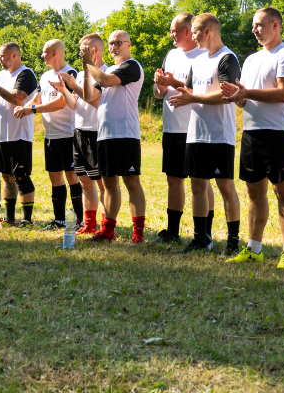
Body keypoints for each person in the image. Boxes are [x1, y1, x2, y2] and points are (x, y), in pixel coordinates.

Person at [220, 7, 284, 267]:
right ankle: (254, 248)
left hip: (278, 132)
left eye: (259, 25)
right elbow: (246, 98)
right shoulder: (252, 60)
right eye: (254, 26)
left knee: (283, 191)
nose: (254, 29)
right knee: (254, 191)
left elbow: (281, 94)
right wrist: (237, 96)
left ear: (275, 25)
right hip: (252, 132)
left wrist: (247, 93)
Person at [167, 13, 242, 255]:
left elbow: (226, 95)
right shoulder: (198, 61)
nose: (193, 36)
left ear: (207, 31)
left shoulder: (227, 59)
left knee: (225, 187)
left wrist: (192, 97)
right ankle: (201, 238)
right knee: (197, 185)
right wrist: (169, 86)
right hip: (195, 134)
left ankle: (233, 242)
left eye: (196, 32)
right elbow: (189, 89)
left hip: (219, 134)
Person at [81, 31, 147, 243]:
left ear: (128, 44)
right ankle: (108, 231)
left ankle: (138, 233)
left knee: (131, 182)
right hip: (105, 134)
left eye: (118, 43)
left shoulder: (132, 65)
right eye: (111, 43)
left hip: (125, 133)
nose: (114, 47)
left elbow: (106, 81)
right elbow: (90, 95)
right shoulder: (108, 69)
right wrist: (85, 69)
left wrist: (90, 63)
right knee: (109, 183)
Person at [151, 13, 209, 243]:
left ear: (188, 31)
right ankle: (172, 231)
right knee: (174, 179)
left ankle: (205, 232)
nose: (171, 35)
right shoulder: (171, 55)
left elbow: (204, 92)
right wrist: (160, 87)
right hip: (172, 127)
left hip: (198, 127)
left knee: (200, 182)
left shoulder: (204, 55)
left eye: (174, 30)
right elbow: (159, 94)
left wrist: (173, 83)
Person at [13, 40, 79, 230]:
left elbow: (60, 103)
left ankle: (79, 220)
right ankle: (59, 221)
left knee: (72, 176)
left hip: (68, 135)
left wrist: (31, 110)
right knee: (55, 177)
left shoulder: (70, 74)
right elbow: (38, 98)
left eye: (44, 52)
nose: (42, 55)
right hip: (51, 136)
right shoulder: (45, 76)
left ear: (54, 53)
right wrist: (24, 107)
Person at [55, 43, 105, 234]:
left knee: (102, 183)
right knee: (84, 181)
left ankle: (105, 225)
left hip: (96, 133)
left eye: (84, 49)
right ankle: (89, 224)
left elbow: (97, 102)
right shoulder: (84, 73)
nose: (80, 53)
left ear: (95, 50)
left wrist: (74, 85)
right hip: (79, 132)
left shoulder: (104, 73)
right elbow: (76, 105)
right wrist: (64, 89)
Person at [0, 42, 38, 227]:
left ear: (14, 55)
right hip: (2, 135)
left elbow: (17, 98)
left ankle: (27, 220)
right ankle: (10, 219)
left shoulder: (26, 73)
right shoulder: (0, 75)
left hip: (20, 134)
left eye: (2, 55)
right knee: (7, 177)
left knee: (21, 176)